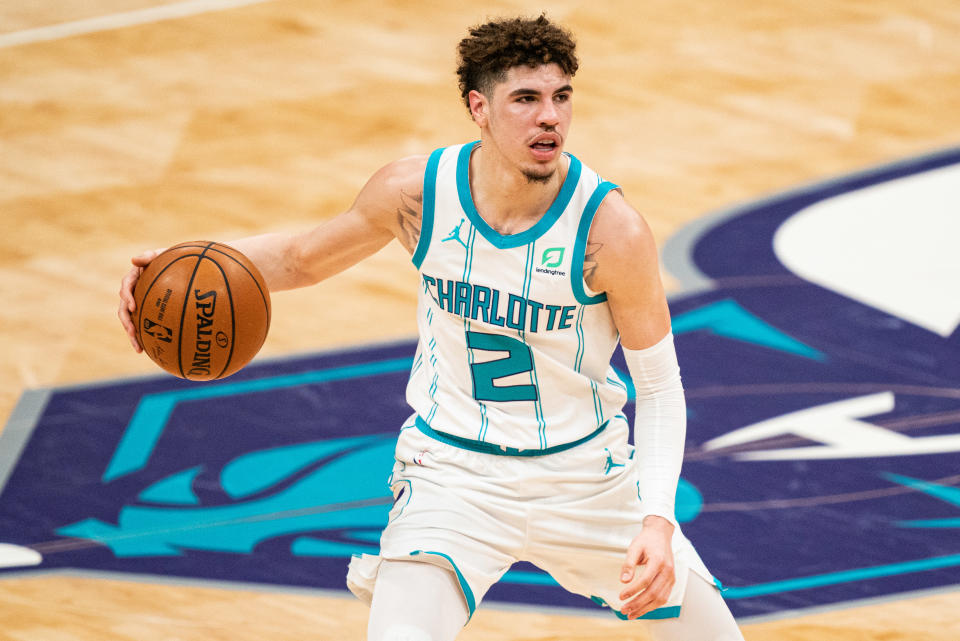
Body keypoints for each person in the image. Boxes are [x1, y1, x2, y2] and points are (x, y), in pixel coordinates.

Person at [119, 14, 744, 641]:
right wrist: (169, 269)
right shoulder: (416, 194)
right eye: (525, 100)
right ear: (479, 107)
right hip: (453, 475)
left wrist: (658, 523)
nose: (548, 117)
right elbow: (304, 258)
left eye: (560, 97)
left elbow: (660, 388)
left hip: (586, 479)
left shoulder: (611, 232)